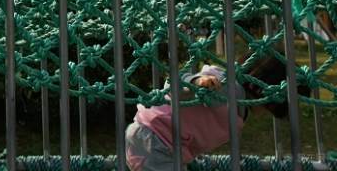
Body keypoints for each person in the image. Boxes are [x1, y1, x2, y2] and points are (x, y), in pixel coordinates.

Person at [125, 52, 308, 170]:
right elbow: (176, 85)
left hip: (165, 146)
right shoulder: (227, 88)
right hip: (155, 139)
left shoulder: (241, 105)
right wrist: (197, 83)